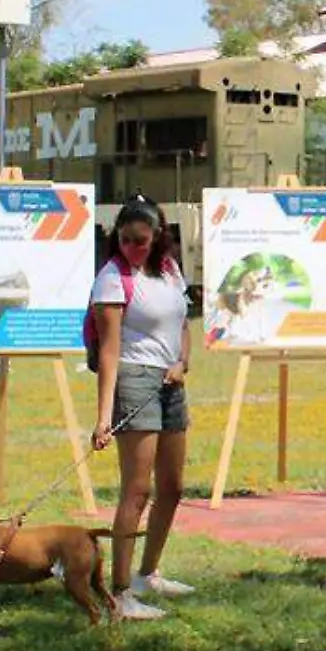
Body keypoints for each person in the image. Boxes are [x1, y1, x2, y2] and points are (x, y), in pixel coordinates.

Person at [89, 195, 194, 621]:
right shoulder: (112, 278)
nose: (132, 247)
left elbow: (183, 326)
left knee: (173, 486)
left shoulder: (169, 271)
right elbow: (110, 352)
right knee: (137, 490)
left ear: (158, 239)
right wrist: (103, 418)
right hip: (134, 380)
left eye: (141, 240)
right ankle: (119, 593)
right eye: (125, 239)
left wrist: (182, 362)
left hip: (171, 380)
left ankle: (147, 573)